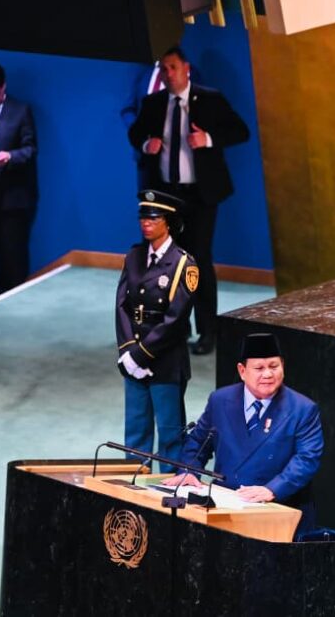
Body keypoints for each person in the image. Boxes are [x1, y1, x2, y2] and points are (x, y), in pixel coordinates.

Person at [127, 46, 249, 355]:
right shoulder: (153, 103)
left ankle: (209, 332)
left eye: (173, 67)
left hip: (200, 195)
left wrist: (207, 139)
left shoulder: (210, 99)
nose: (168, 74)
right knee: (166, 265)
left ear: (186, 69)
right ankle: (173, 330)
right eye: (163, 69)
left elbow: (240, 131)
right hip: (166, 196)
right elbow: (135, 134)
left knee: (199, 261)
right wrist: (147, 144)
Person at [164, 333, 324, 539]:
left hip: (277, 511)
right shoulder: (220, 400)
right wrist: (189, 470)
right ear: (242, 371)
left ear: (283, 366)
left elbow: (307, 459)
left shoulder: (302, 409)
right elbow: (198, 441)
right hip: (224, 510)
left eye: (274, 366)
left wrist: (272, 489)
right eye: (259, 368)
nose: (268, 374)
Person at [116, 190, 198, 471]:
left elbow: (175, 320)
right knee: (135, 433)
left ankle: (168, 488)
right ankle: (133, 486)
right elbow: (122, 306)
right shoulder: (134, 257)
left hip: (165, 362)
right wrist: (127, 351)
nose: (146, 222)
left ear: (169, 222)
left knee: (170, 434)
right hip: (133, 361)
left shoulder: (183, 264)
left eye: (154, 217)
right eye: (143, 216)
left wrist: (140, 355)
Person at [0, 61, 38, 295]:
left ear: (3, 87)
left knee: (11, 263)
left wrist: (9, 156)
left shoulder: (20, 111)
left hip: (11, 203)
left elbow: (30, 149)